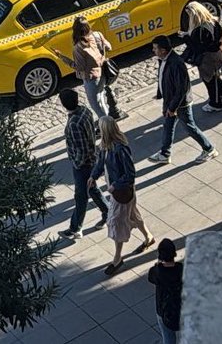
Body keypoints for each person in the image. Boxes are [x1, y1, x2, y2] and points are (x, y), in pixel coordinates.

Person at [90, 117, 155, 276]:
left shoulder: (120, 148)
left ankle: (117, 258)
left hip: (121, 192)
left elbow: (130, 174)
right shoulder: (105, 146)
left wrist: (114, 185)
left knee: (115, 221)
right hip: (118, 192)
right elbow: (101, 163)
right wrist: (93, 176)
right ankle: (148, 237)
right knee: (133, 214)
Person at [148, 34, 217, 165]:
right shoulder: (164, 60)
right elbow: (163, 78)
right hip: (171, 101)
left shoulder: (176, 63)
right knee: (168, 126)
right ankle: (164, 153)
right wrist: (160, 93)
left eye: (155, 48)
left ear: (163, 50)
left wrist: (172, 107)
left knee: (190, 127)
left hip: (180, 104)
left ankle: (209, 149)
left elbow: (181, 89)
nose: (153, 50)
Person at [57, 88, 109, 240]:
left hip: (83, 164)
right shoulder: (85, 111)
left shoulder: (73, 123)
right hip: (92, 158)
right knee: (92, 188)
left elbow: (81, 148)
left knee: (81, 196)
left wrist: (77, 164)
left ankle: (75, 228)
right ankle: (108, 212)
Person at [53, 15, 125, 121]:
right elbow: (109, 46)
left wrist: (62, 57)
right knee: (101, 101)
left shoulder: (78, 48)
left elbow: (79, 67)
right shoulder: (96, 35)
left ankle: (107, 126)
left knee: (96, 105)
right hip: (102, 73)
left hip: (91, 78)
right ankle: (109, 122)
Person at [180, 0, 222, 112]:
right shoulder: (214, 22)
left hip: (206, 58)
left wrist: (186, 38)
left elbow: (197, 47)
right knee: (215, 75)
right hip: (217, 53)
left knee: (209, 80)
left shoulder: (199, 30)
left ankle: (215, 103)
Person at [148, 239, 183, 344]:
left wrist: (158, 264)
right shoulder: (180, 268)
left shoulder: (157, 271)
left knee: (168, 337)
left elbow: (151, 278)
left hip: (163, 309)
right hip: (181, 307)